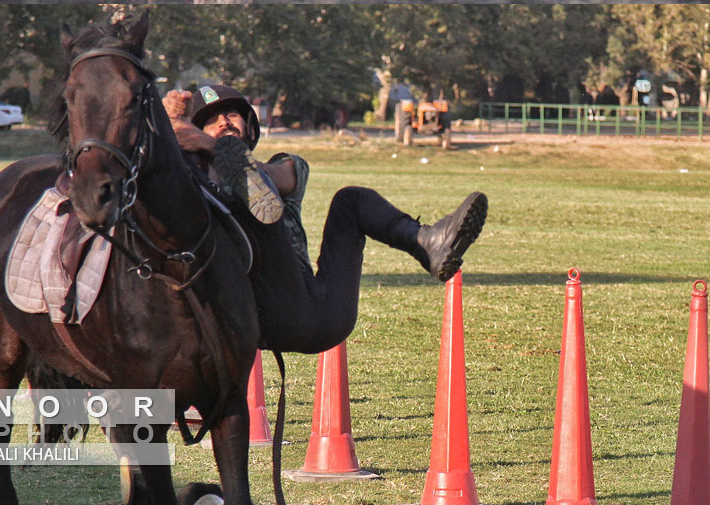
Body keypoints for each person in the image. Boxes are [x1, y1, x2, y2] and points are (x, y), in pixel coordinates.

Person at [163, 85, 487, 354]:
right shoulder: (195, 184)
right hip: (241, 318)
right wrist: (166, 124)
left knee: (348, 200)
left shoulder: (285, 167)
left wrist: (209, 144)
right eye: (210, 121)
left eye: (231, 114)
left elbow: (269, 178)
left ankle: (429, 244)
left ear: (250, 125)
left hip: (312, 312)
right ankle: (143, 412)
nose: (223, 122)